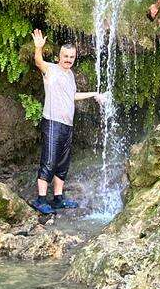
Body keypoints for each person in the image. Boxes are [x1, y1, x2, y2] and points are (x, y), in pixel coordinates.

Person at [30, 29, 108, 215]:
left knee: (63, 163)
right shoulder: (51, 70)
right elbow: (38, 61)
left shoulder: (70, 75)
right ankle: (40, 200)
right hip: (52, 123)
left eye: (71, 57)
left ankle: (58, 198)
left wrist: (94, 94)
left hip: (67, 125)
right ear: (59, 56)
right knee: (49, 161)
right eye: (65, 56)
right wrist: (38, 48)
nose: (68, 59)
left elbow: (72, 95)